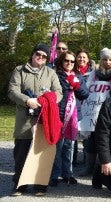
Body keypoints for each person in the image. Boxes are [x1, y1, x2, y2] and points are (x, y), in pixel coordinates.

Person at [8, 43, 63, 196]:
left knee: (41, 153)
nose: (40, 57)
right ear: (32, 54)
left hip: (44, 119)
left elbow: (59, 92)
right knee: (21, 152)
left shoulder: (50, 73)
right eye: (38, 54)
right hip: (24, 120)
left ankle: (40, 185)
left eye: (44, 56)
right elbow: (12, 91)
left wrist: (48, 101)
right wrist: (27, 100)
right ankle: (19, 184)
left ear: (47, 59)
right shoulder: (19, 70)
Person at [50, 50, 89, 187]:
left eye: (72, 61)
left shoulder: (78, 76)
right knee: (58, 147)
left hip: (73, 117)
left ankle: (68, 174)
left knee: (70, 147)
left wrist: (76, 86)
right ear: (61, 61)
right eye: (67, 60)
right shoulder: (55, 76)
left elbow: (85, 95)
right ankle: (54, 175)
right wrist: (68, 84)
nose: (70, 63)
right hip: (60, 116)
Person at [79, 48, 111, 177]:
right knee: (91, 140)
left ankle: (105, 167)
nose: (108, 62)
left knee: (108, 139)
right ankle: (89, 167)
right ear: (101, 61)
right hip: (94, 111)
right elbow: (87, 89)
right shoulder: (94, 74)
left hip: (110, 111)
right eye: (105, 59)